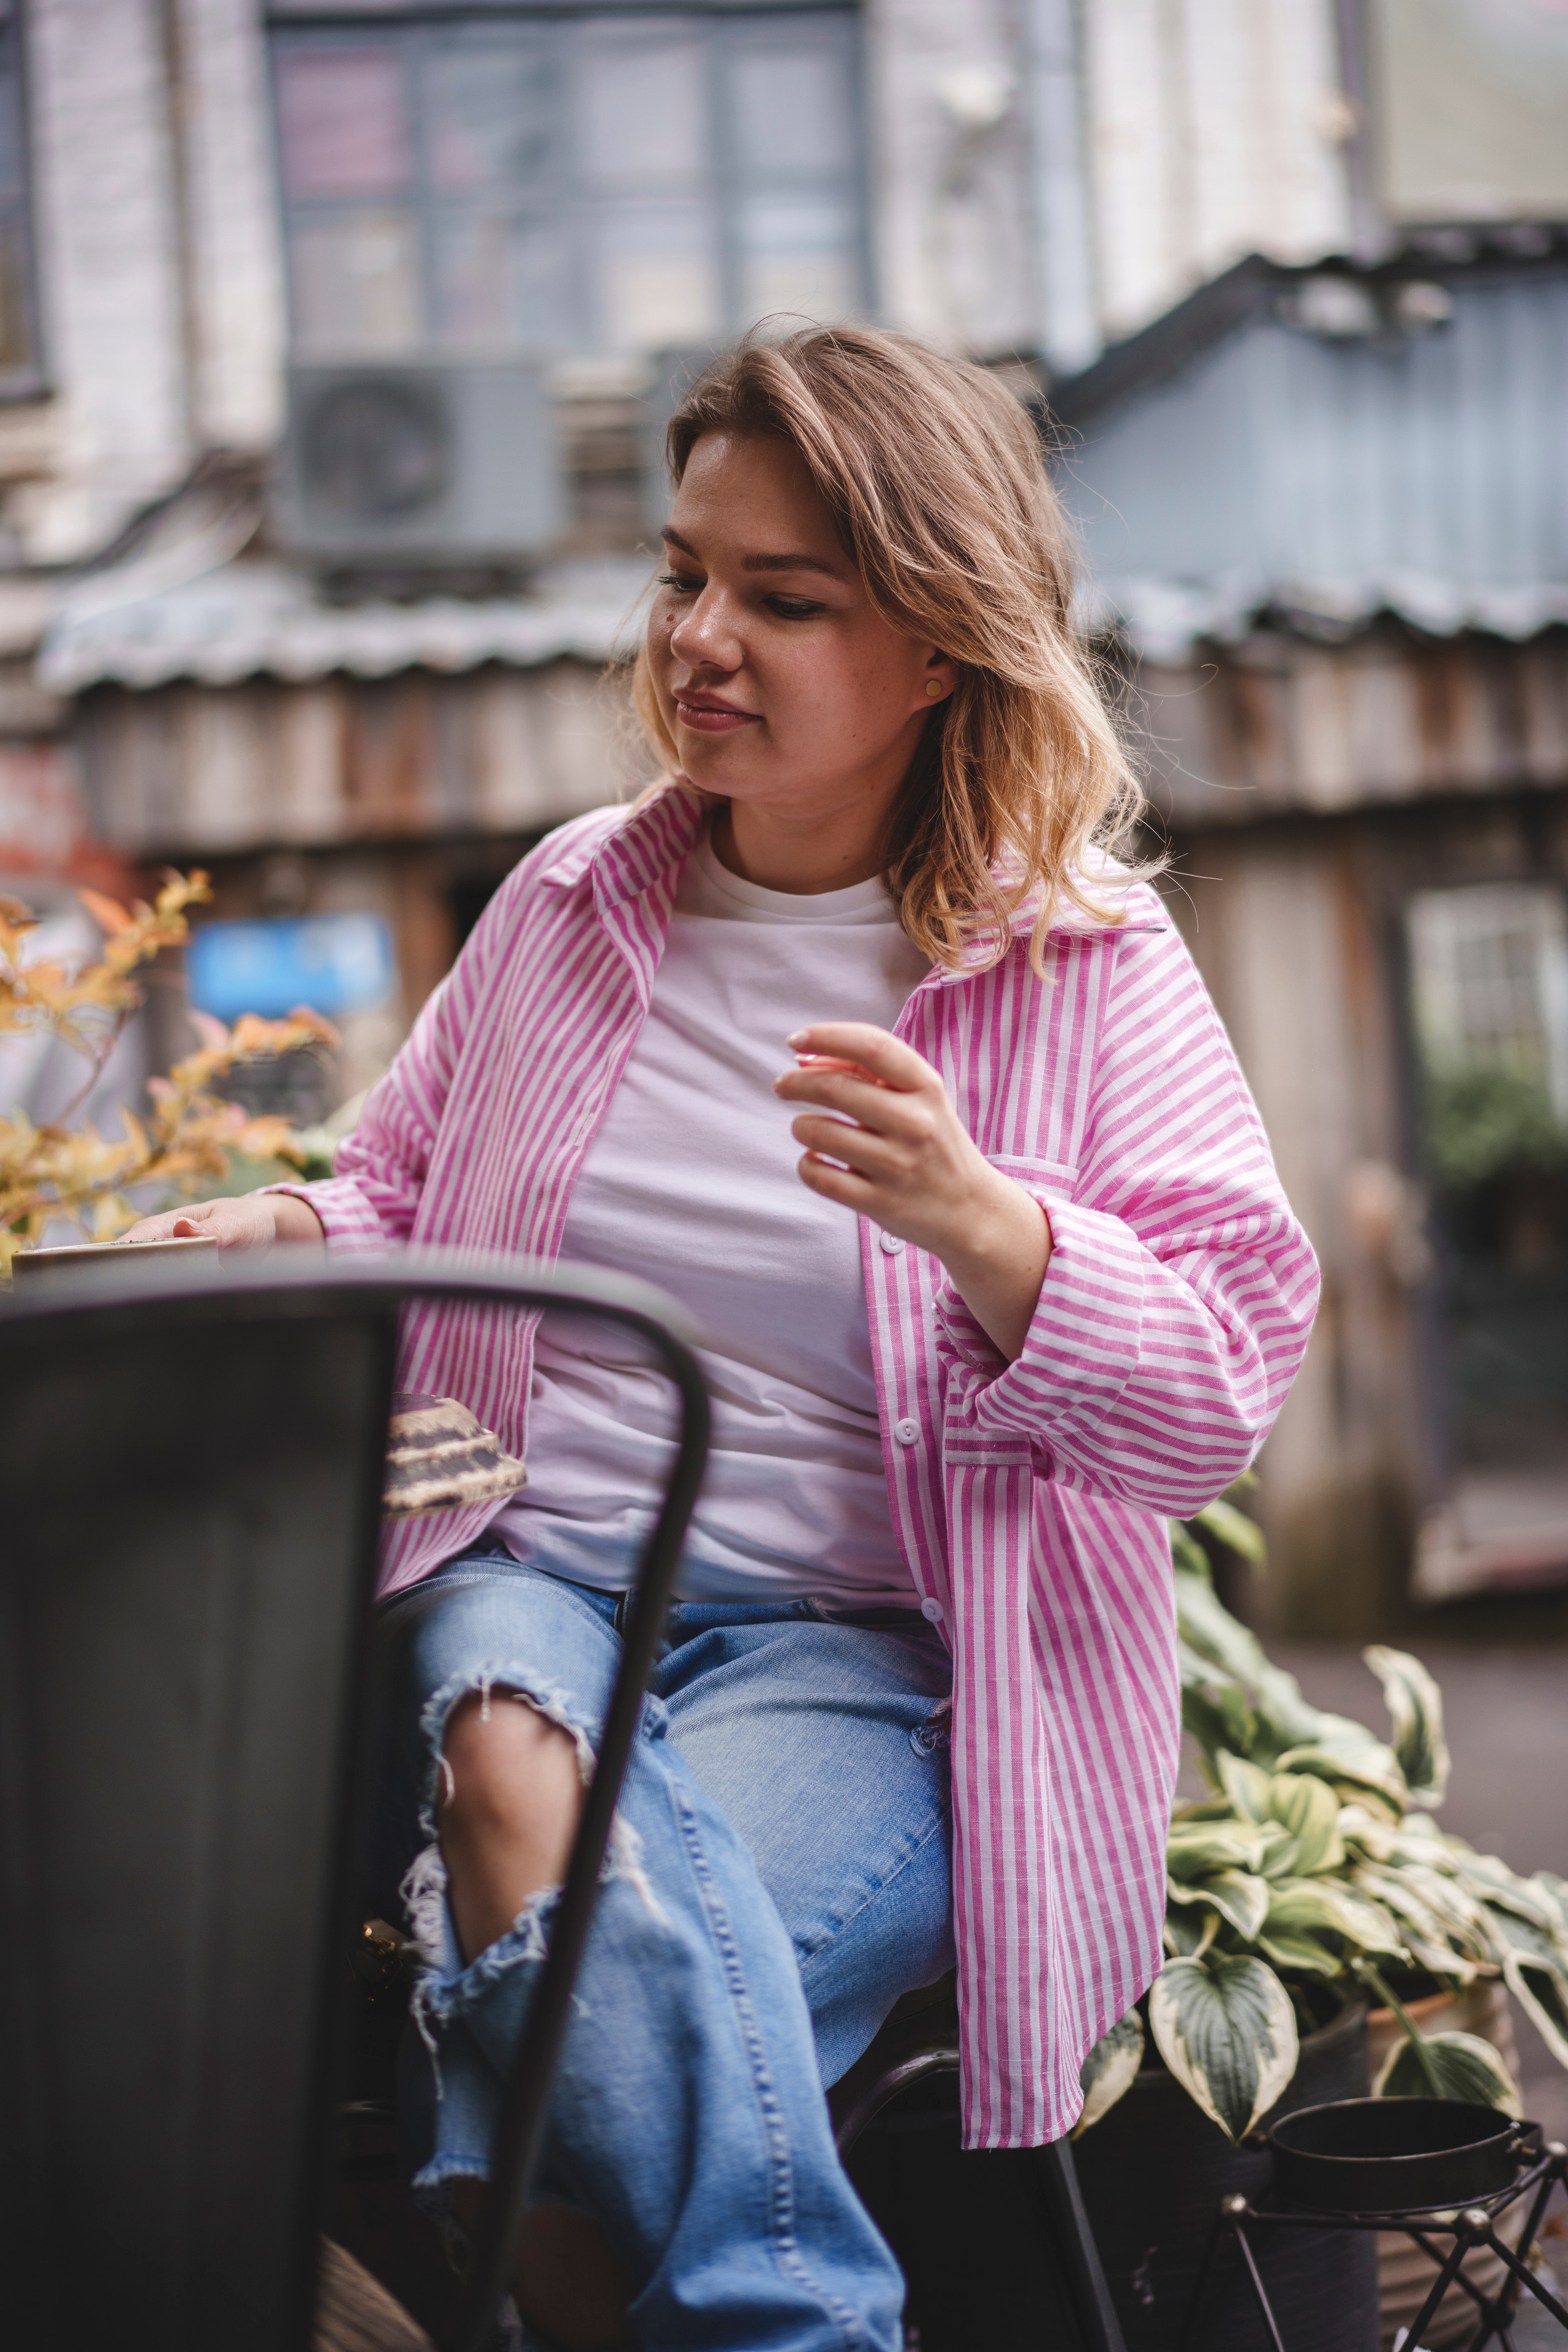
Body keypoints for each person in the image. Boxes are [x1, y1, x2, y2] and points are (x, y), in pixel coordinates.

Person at [127, 326, 1319, 2351]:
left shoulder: (1080, 966)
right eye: (685, 573)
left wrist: (987, 1221)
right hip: (532, 1567)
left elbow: (1218, 1385)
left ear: (942, 644)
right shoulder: (575, 905)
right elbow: (413, 1190)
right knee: (511, 1771)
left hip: (860, 1660)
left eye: (787, 598)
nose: (702, 637)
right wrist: (288, 1217)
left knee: (594, 1957)